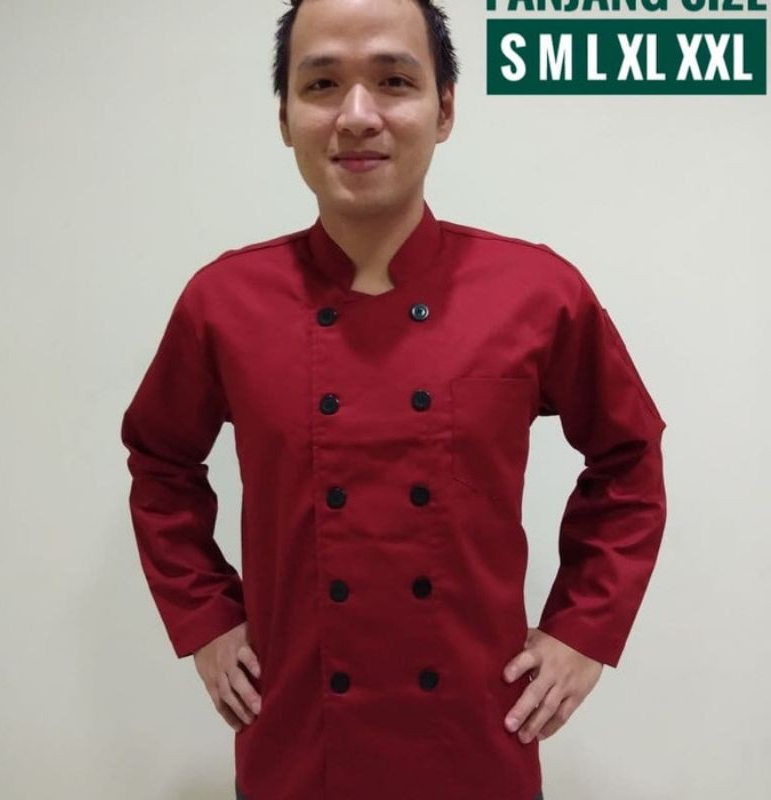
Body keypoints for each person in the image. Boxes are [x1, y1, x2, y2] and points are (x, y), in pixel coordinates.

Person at [120, 1, 667, 798]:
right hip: (298, 744)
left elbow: (629, 458)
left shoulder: (538, 293)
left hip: (477, 740)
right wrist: (206, 619)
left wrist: (583, 631)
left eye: (393, 81)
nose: (357, 115)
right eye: (321, 84)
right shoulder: (222, 302)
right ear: (284, 117)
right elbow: (160, 462)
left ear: (444, 109)